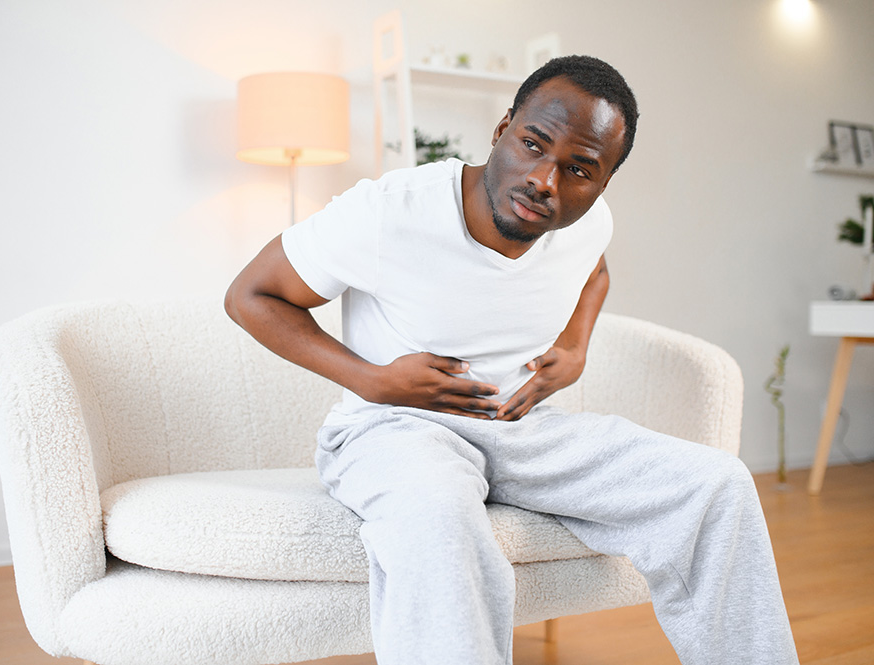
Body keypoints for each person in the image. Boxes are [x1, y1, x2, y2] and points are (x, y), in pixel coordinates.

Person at [225, 55, 798, 665]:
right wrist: (374, 381)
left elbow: (595, 271)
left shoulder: (588, 223)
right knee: (438, 518)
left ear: (602, 184)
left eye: (579, 170)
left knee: (717, 485)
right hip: (392, 430)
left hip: (522, 431)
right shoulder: (389, 211)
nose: (546, 181)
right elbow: (250, 296)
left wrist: (574, 349)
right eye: (533, 145)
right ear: (503, 130)